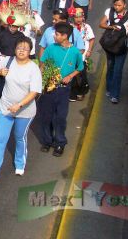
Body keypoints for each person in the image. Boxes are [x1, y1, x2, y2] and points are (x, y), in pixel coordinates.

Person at [0, 38, 42, 181]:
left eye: (25, 48)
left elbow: (34, 92)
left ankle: (20, 163)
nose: (21, 50)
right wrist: (0, 72)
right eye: (19, 47)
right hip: (5, 107)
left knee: (19, 137)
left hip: (25, 111)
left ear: (30, 51)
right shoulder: (8, 61)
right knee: (0, 139)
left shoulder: (33, 68)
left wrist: (19, 105)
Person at [39, 22, 84, 156]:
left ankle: (60, 142)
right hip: (49, 87)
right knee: (46, 116)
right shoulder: (51, 48)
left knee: (60, 117)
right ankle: (47, 141)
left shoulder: (75, 52)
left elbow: (80, 68)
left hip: (63, 89)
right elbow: (42, 63)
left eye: (58, 34)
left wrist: (70, 76)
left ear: (65, 36)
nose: (55, 36)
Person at [98, 0, 128, 104]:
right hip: (110, 46)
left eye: (119, 5)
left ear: (124, 5)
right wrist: (111, 27)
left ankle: (115, 94)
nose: (117, 7)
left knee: (118, 71)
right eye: (115, 5)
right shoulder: (109, 11)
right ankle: (109, 88)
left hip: (122, 47)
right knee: (110, 68)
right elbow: (101, 24)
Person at [71, 8, 95, 101]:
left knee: (81, 74)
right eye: (76, 17)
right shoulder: (70, 27)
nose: (78, 19)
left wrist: (89, 50)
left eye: (80, 17)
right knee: (72, 74)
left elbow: (91, 39)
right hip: (72, 55)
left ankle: (82, 91)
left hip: (83, 55)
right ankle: (73, 91)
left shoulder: (87, 27)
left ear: (83, 17)